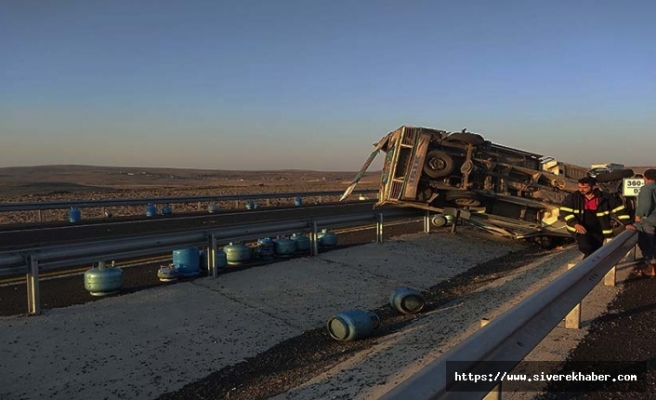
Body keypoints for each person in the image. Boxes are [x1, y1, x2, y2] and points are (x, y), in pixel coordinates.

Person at [559, 176, 633, 259]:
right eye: (579, 187)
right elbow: (564, 211)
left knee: (596, 250)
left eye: (585, 187)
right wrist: (575, 224)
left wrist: (627, 224)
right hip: (581, 228)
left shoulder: (605, 198)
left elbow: (620, 210)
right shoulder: (573, 198)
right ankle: (586, 267)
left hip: (599, 230)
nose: (581, 190)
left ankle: (588, 267)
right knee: (585, 247)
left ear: (593, 187)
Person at [627, 169, 656, 277]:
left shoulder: (646, 188)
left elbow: (646, 205)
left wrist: (639, 215)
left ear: (645, 177)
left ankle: (651, 268)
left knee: (647, 243)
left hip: (648, 221)